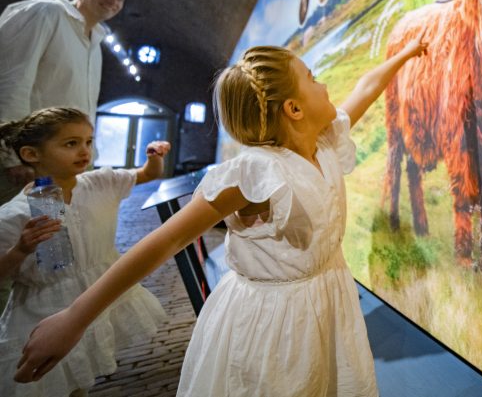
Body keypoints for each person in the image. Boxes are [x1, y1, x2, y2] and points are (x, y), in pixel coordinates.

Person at [14, 37, 428, 396]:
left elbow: (366, 86)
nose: (324, 85)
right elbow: (166, 240)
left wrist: (406, 52)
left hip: (326, 295)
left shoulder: (322, 143)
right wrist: (75, 317)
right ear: (294, 109)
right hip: (275, 320)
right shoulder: (254, 173)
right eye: (313, 78)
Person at [0, 107, 168, 396]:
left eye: (88, 141)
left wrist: (155, 157)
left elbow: (146, 175)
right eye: (70, 143)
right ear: (31, 154)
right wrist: (20, 249)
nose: (84, 150)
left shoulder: (102, 181)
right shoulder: (20, 212)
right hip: (44, 310)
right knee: (50, 382)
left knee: (78, 376)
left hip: (92, 293)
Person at [0, 0, 132, 205]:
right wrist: (10, 156)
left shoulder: (97, 44)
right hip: (28, 162)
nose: (112, 0)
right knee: (10, 236)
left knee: (48, 237)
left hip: (61, 166)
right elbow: (9, 82)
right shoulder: (45, 12)